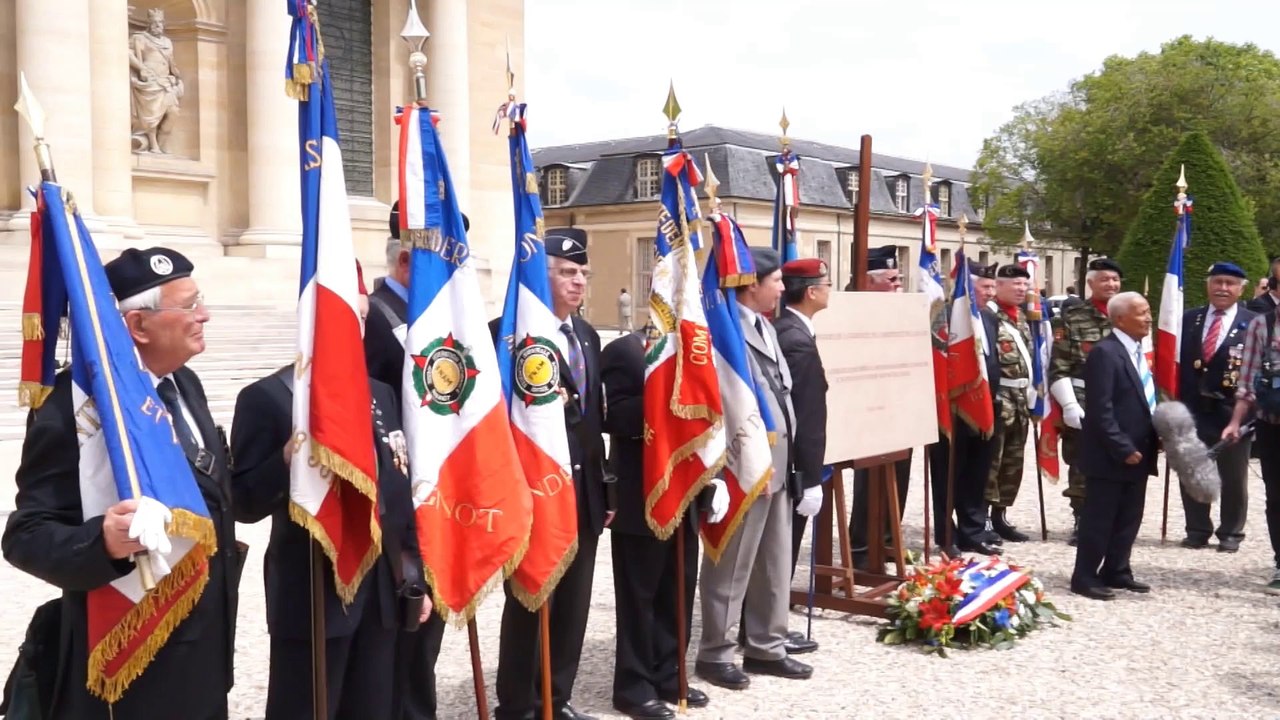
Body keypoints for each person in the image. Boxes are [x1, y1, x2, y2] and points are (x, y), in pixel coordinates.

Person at [3, 247, 242, 719]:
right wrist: (103, 542)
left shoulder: (184, 385)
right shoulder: (71, 406)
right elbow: (26, 534)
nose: (205, 315)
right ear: (137, 326)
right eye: (189, 306)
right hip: (128, 661)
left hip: (205, 646)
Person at [230, 262, 428, 719]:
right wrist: (286, 460)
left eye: (361, 316)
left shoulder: (380, 393)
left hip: (381, 592)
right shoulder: (269, 398)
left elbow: (396, 497)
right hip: (313, 592)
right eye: (344, 317)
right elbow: (242, 501)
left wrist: (413, 574)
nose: (355, 328)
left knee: (374, 708)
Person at [494, 228, 609, 720]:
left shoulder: (586, 335)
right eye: (566, 272)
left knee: (573, 604)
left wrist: (606, 488)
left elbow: (594, 421)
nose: (578, 281)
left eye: (583, 273)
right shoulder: (508, 332)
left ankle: (555, 698)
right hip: (534, 489)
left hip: (581, 491)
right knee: (529, 599)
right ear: (537, 278)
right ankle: (517, 705)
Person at [696, 247, 811, 691]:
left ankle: (766, 646)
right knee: (733, 564)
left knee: (774, 562)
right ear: (750, 284)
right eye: (777, 280)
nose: (784, 289)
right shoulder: (724, 333)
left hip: (778, 463)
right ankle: (716, 652)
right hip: (744, 463)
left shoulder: (767, 327)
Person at [602, 330, 716, 720]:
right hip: (642, 495)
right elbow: (610, 415)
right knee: (640, 597)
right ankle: (633, 686)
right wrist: (660, 395)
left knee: (677, 590)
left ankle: (670, 671)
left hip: (683, 491)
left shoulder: (694, 351)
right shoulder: (623, 351)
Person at [363, 201, 448, 720]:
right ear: (406, 264)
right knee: (397, 630)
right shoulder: (373, 318)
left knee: (426, 631)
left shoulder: (434, 317)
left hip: (436, 487)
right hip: (395, 500)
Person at [1069, 292, 1157, 601]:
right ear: (1120, 318)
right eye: (1142, 312)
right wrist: (1121, 447)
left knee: (1130, 516)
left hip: (1141, 449)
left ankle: (1117, 569)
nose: (1149, 317)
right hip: (1112, 455)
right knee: (1100, 518)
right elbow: (1100, 409)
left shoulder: (1136, 351)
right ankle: (1085, 576)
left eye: (1149, 312)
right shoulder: (1106, 353)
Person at [1177, 262, 1256, 552]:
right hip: (1192, 410)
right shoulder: (1188, 319)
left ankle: (1231, 533)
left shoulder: (1254, 322)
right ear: (1208, 284)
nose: (1223, 288)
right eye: (1217, 281)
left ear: (1241, 288)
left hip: (1232, 413)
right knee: (1192, 471)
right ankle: (1197, 529)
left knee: (1233, 477)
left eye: (1230, 283)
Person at [928, 260, 1003, 556]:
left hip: (984, 406)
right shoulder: (943, 318)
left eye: (993, 286)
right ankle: (947, 535)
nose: (992, 292)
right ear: (967, 289)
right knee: (948, 475)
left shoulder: (989, 318)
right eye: (985, 287)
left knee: (977, 473)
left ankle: (973, 530)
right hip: (952, 411)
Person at [774, 257, 829, 656]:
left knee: (779, 550)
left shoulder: (790, 330)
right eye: (825, 284)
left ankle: (767, 623)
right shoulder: (795, 338)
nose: (829, 290)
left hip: (789, 464)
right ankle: (768, 626)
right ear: (811, 292)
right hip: (792, 468)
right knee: (782, 551)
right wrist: (809, 478)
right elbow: (804, 417)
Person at [1050, 257, 1123, 545]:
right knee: (1082, 465)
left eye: (1115, 279)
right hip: (1085, 400)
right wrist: (1068, 404)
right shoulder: (1071, 318)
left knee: (1121, 461)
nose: (1111, 284)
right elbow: (1059, 366)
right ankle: (1083, 520)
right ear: (1090, 283)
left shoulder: (1131, 314)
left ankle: (1114, 520)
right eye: (1104, 279)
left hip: (1121, 402)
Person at [849, 245, 912, 568]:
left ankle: (888, 540)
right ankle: (862, 547)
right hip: (868, 410)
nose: (899, 284)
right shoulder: (852, 311)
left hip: (900, 406)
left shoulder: (899, 312)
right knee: (870, 481)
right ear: (870, 281)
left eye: (899, 278)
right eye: (892, 278)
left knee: (899, 477)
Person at [1222, 277, 1280, 595]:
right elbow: (1247, 380)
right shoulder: (1262, 325)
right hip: (1273, 424)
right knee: (1277, 497)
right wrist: (1235, 422)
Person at [986, 264, 1034, 543]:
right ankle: (981, 518)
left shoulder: (1022, 319)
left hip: (1021, 400)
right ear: (998, 285)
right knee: (993, 460)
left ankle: (999, 516)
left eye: (1024, 285)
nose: (1020, 290)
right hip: (999, 398)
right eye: (1014, 284)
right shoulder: (990, 317)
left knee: (1013, 463)